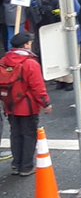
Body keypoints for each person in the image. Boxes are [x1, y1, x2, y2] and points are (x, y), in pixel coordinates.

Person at [0, 32, 49, 177]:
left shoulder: (4, 61)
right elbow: (38, 87)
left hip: (10, 105)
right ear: (26, 45)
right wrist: (46, 103)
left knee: (15, 135)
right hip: (27, 107)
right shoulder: (30, 63)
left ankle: (16, 164)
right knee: (29, 136)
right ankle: (26, 166)